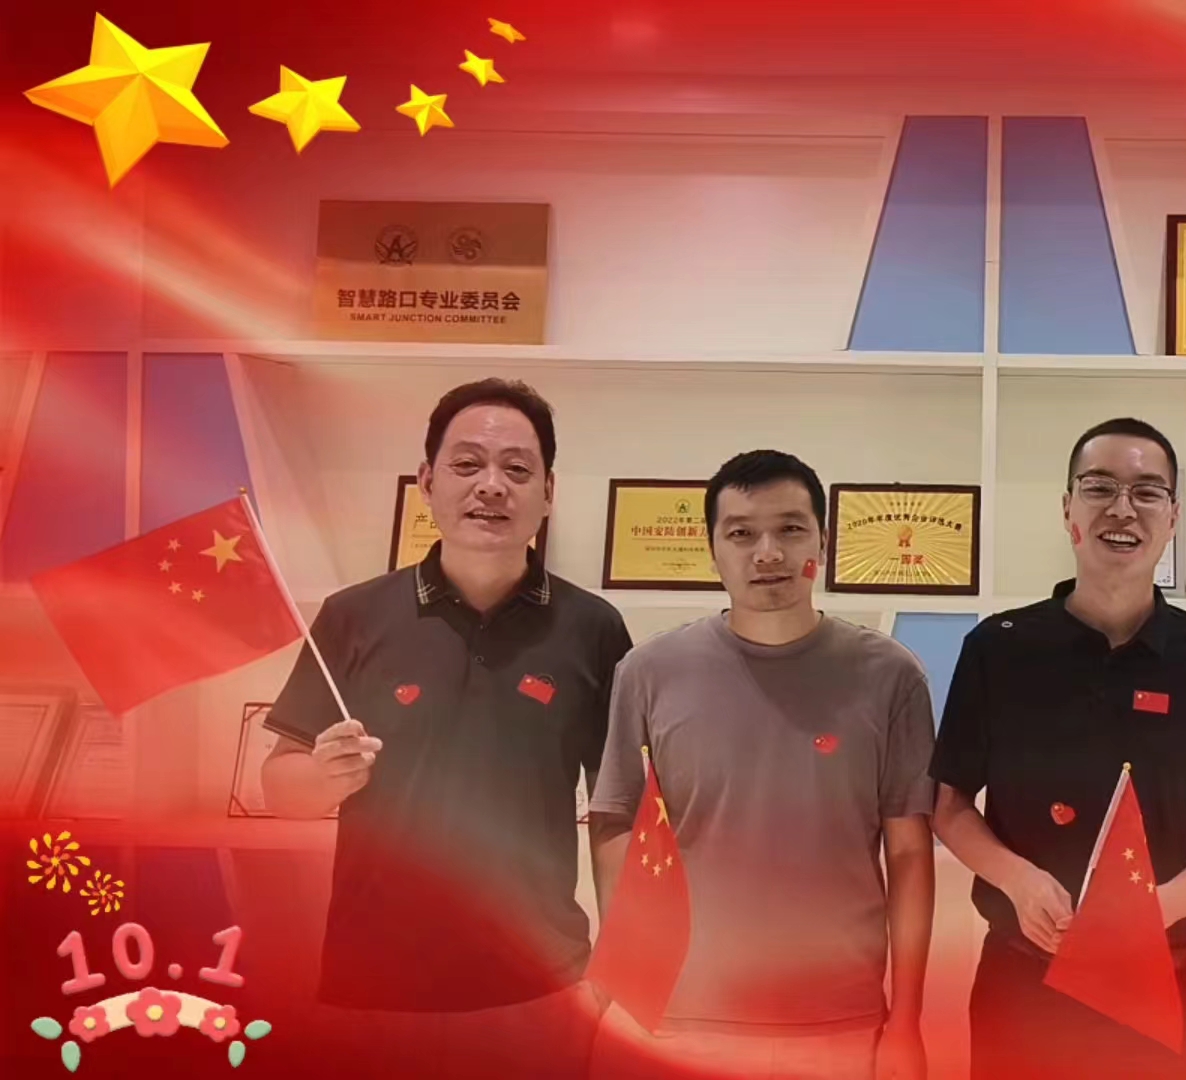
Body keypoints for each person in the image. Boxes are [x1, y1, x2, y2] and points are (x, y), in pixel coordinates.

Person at [261, 378, 629, 1076]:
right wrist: (324, 776)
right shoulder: (352, 616)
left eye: (517, 468)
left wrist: (620, 965)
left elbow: (616, 812)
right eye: (467, 464)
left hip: (540, 987)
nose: (492, 486)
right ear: (427, 482)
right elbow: (280, 787)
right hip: (372, 987)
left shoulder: (593, 628)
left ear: (548, 492)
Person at [930, 418, 1186, 1080]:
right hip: (1022, 988)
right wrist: (1017, 880)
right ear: (1068, 509)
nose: (1122, 509)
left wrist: (1155, 911)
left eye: (1147, 491)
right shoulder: (999, 648)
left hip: (1170, 984)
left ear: (1173, 517)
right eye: (1099, 487)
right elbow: (950, 805)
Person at [588, 449, 935, 1080]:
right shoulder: (649, 672)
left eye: (791, 529)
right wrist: (623, 979)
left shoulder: (891, 675)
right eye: (742, 534)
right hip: (677, 1021)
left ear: (823, 542)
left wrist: (906, 1021)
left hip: (838, 1023)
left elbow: (909, 855)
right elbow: (616, 825)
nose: (768, 553)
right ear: (712, 549)